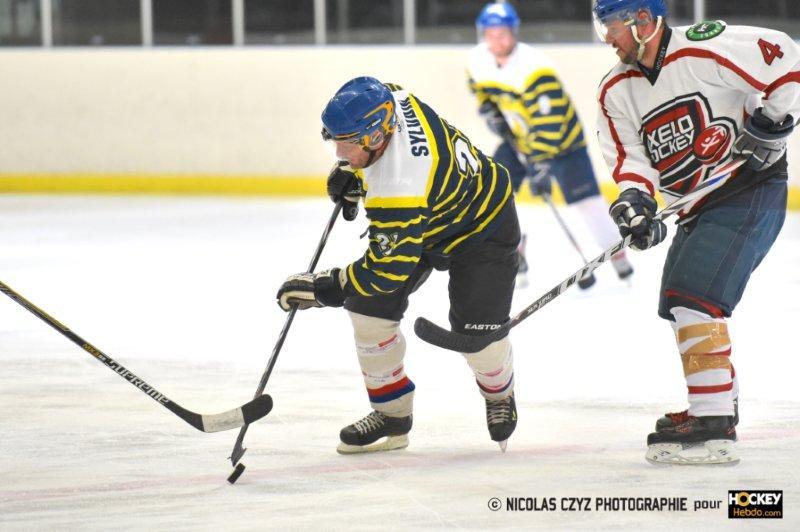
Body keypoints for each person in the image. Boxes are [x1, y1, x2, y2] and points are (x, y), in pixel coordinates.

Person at [594, 0, 798, 464]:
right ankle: (720, 399)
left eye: (612, 26)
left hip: (749, 187)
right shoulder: (614, 90)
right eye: (602, 26)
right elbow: (631, 160)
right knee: (677, 304)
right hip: (694, 206)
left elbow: (786, 58)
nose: (607, 37)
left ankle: (712, 421)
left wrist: (772, 123)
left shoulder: (702, 48)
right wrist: (636, 201)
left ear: (643, 21)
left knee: (694, 298)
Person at [276, 77, 521, 454]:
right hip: (430, 214)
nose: (340, 152)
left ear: (377, 136)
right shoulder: (389, 96)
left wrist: (322, 288)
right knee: (369, 310)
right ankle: (391, 414)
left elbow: (385, 271)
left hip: (481, 228)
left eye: (349, 145)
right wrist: (354, 172)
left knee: (479, 337)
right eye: (335, 141)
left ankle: (499, 392)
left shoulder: (401, 182)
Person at [467, 1, 634, 289]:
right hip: (520, 140)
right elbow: (480, 91)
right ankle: (514, 251)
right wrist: (489, 112)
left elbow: (551, 122)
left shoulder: (535, 68)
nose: (498, 40)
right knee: (496, 188)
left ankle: (616, 253)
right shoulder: (477, 60)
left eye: (503, 33)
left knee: (587, 203)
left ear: (514, 32)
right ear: (483, 34)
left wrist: (541, 165)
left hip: (563, 145)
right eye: (491, 33)